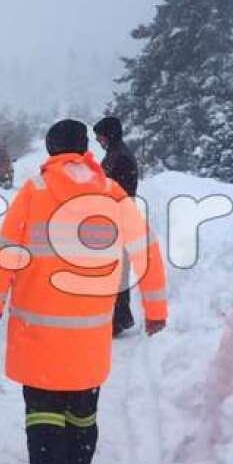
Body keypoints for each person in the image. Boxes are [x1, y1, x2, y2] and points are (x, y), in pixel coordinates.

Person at [0, 118, 168, 464]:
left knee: (43, 414)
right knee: (82, 410)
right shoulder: (111, 193)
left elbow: (6, 251)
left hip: (39, 333)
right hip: (90, 332)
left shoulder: (35, 191)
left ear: (50, 151)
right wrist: (156, 309)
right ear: (85, 148)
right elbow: (146, 252)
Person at [94, 115, 139, 336]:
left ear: (108, 135)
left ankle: (117, 320)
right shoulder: (117, 153)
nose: (98, 141)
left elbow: (110, 189)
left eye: (100, 136)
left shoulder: (118, 157)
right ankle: (119, 318)